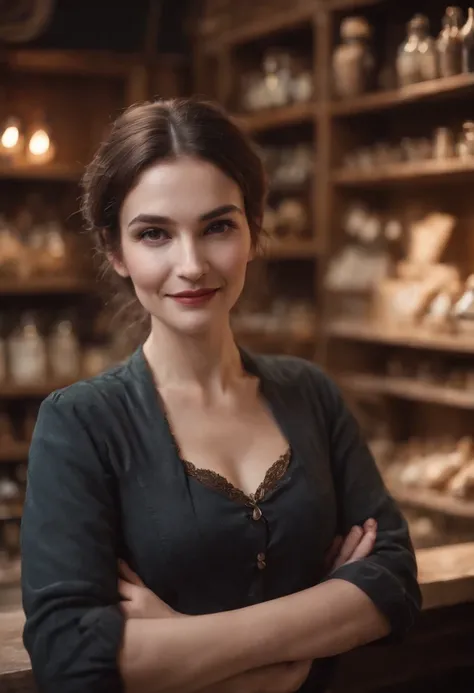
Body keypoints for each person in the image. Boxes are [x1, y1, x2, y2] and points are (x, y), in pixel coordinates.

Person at [21, 98, 421, 693]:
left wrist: (181, 642)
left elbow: (393, 581)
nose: (192, 264)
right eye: (154, 233)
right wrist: (292, 654)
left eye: (217, 227)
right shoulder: (78, 422)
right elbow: (70, 656)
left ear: (254, 233)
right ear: (115, 251)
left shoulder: (311, 392)